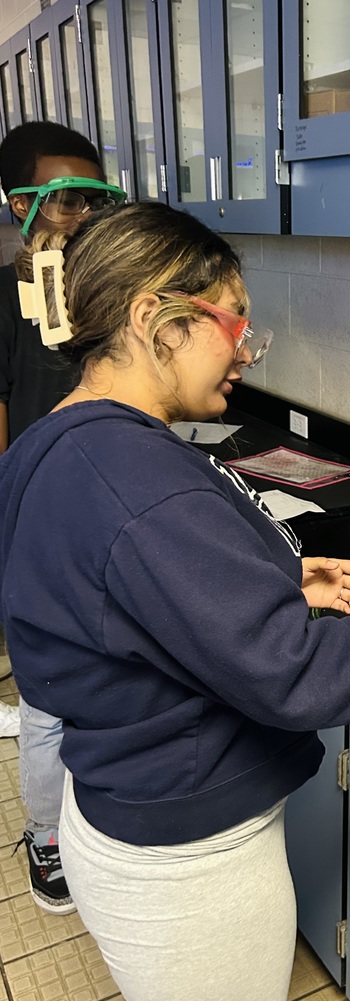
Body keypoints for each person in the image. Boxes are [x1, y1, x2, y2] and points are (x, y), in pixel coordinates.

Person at [0, 201, 350, 1001]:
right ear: (155, 319)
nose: (245, 355)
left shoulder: (55, 441)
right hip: (187, 871)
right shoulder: (139, 483)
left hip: (120, 810)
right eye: (233, 325)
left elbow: (116, 601)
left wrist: (273, 580)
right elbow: (300, 677)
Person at [0, 121, 127, 912]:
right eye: (63, 200)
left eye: (93, 199)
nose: (81, 215)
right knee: (48, 699)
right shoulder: (2, 302)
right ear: (20, 204)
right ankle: (47, 837)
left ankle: (95, 819)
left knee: (108, 680)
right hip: (35, 525)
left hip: (106, 514)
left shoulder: (105, 297)